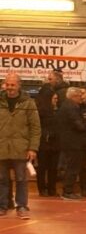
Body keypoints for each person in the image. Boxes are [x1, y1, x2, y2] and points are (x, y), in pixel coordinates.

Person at [0, 72, 40, 219]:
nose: (10, 87)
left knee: (21, 179)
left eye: (13, 85)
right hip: (2, 147)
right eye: (8, 84)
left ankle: (22, 206)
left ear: (19, 85)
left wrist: (33, 148)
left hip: (21, 148)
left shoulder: (28, 103)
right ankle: (2, 206)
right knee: (1, 179)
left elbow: (35, 127)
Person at [56, 86, 86, 200]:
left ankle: (68, 190)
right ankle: (68, 191)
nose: (81, 98)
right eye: (79, 96)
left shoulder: (65, 106)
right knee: (73, 167)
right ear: (73, 96)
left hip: (67, 141)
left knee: (71, 166)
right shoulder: (71, 108)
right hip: (73, 142)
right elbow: (79, 126)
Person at [35, 89, 60, 197]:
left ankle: (52, 188)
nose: (56, 100)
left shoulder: (58, 111)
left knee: (53, 168)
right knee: (42, 167)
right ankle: (42, 189)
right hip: (43, 143)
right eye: (54, 98)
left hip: (55, 143)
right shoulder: (40, 112)